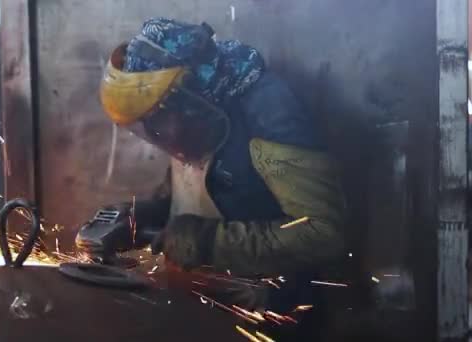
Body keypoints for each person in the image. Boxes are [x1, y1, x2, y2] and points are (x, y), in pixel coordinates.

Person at [92, 17, 345, 287]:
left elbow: (323, 233)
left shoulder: (269, 115)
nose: (155, 134)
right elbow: (194, 196)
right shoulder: (190, 117)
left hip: (273, 304)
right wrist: (144, 216)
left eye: (155, 121)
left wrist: (207, 242)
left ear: (190, 101)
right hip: (211, 293)